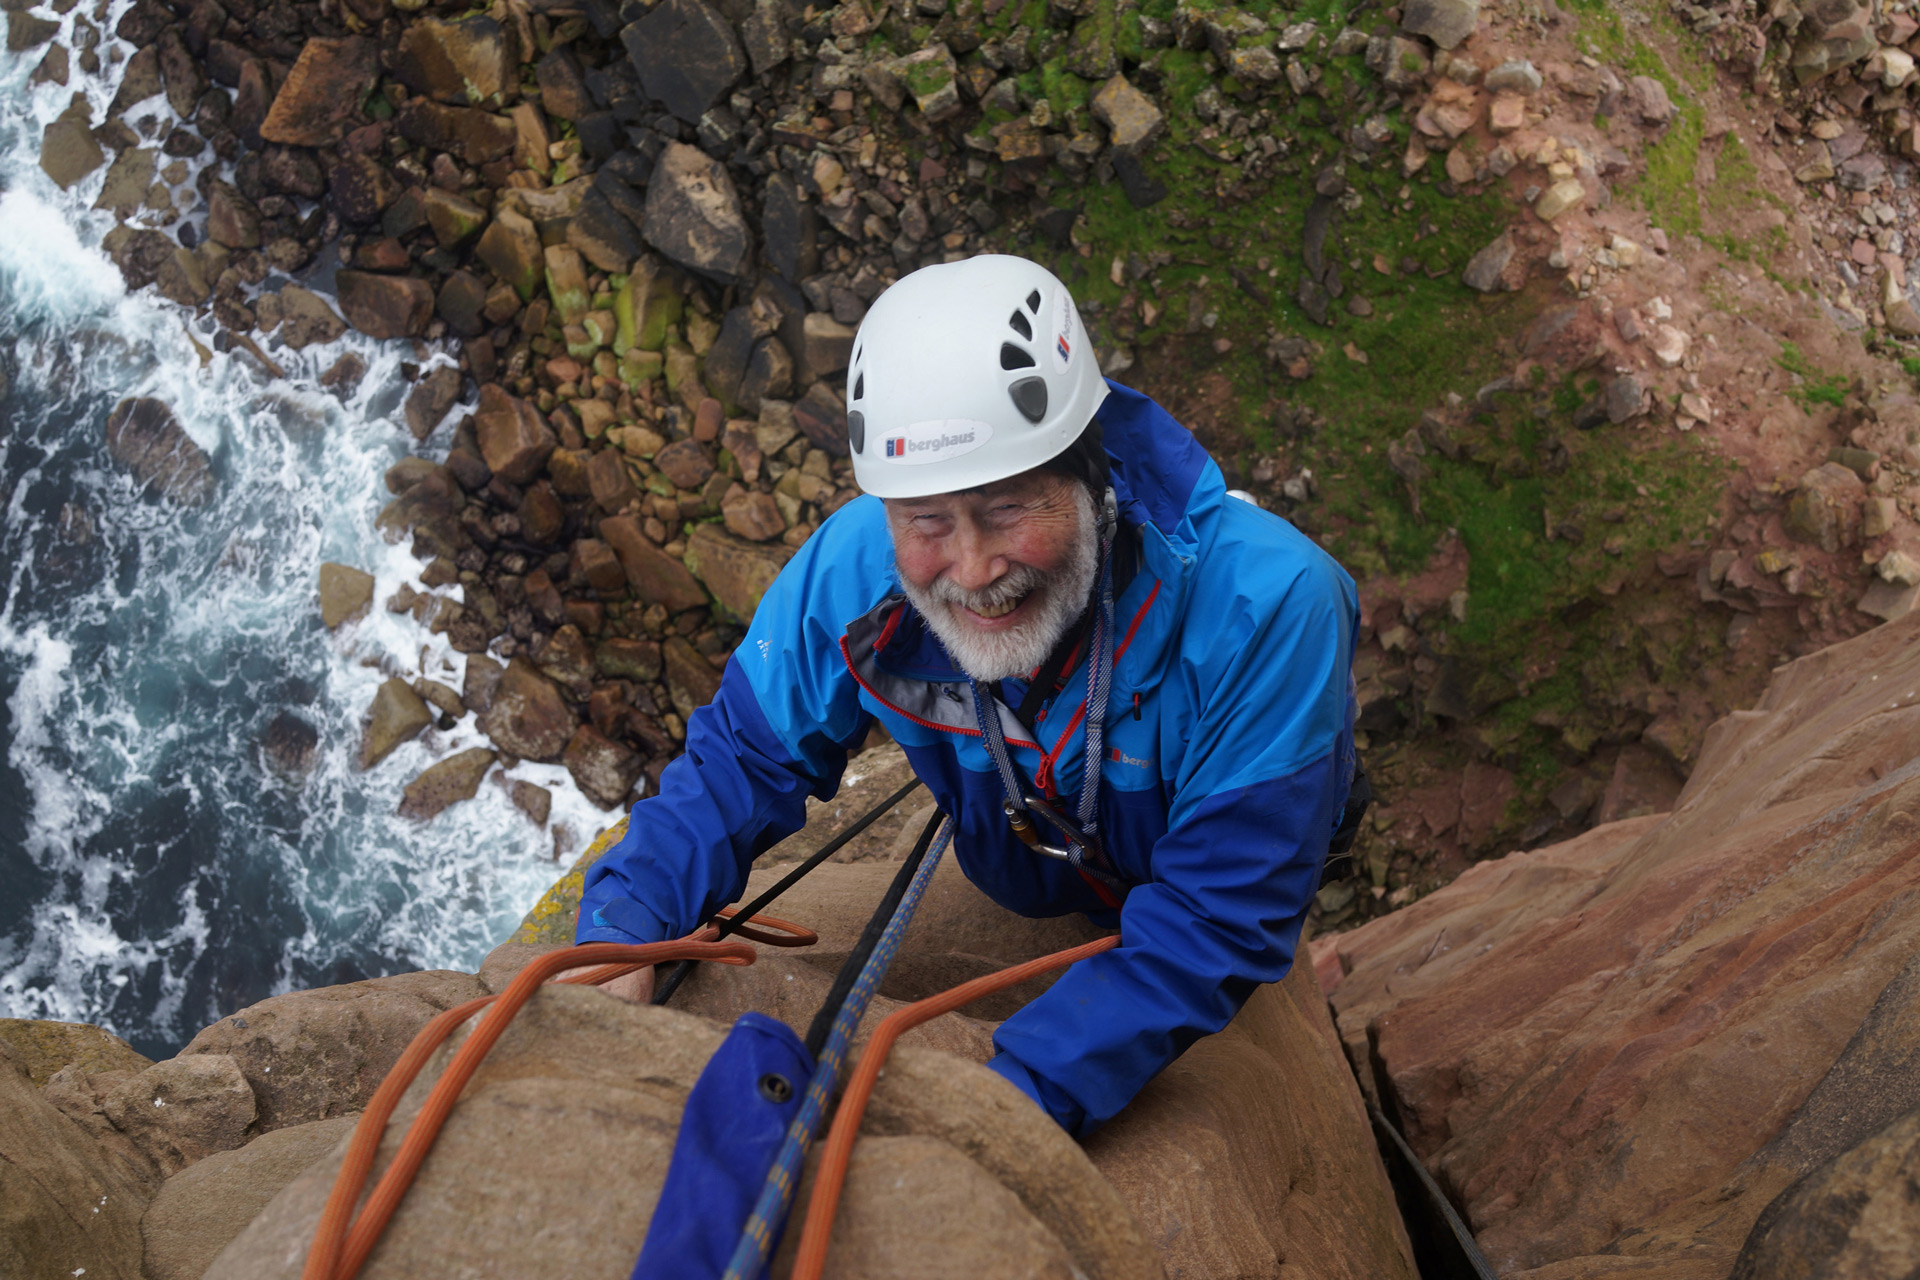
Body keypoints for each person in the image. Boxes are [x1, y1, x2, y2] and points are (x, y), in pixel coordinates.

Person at [574, 253, 1360, 1137]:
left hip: (1186, 848)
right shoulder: (857, 570)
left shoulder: (1271, 607)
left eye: (1009, 506)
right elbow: (744, 757)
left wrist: (1011, 1102)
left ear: (1091, 469)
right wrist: (625, 925)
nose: (975, 568)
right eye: (928, 522)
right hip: (1031, 867)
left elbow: (1216, 915)